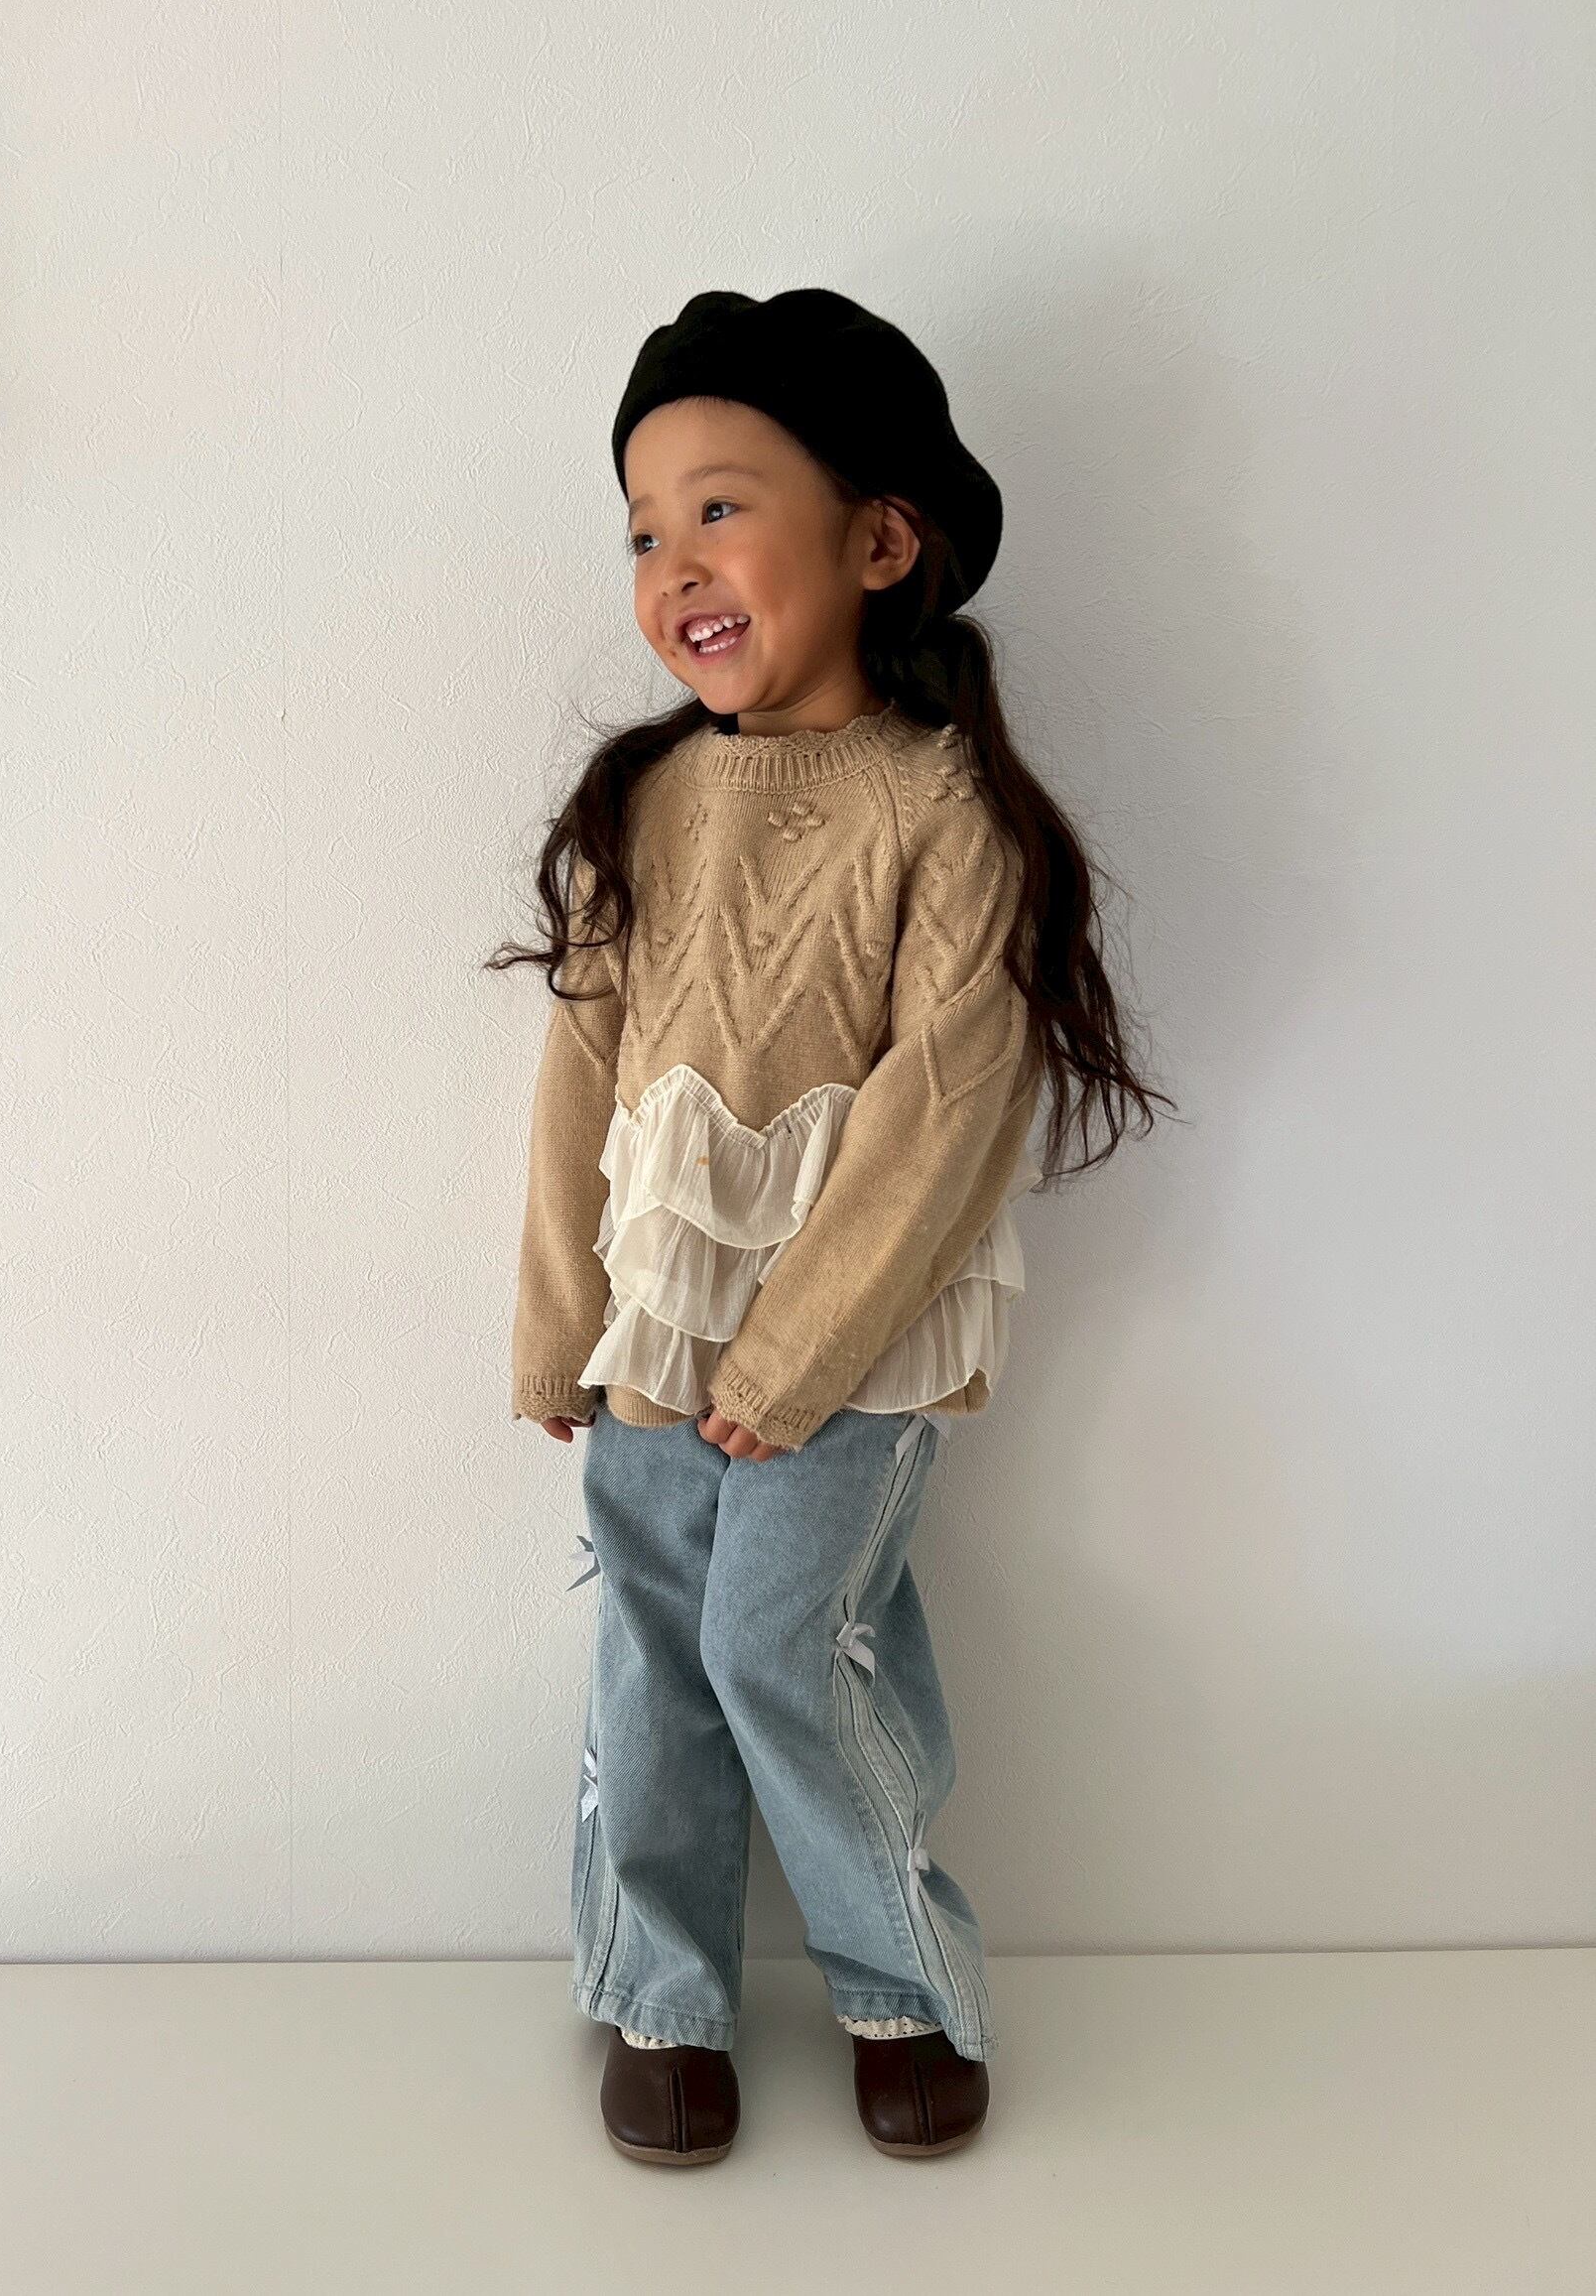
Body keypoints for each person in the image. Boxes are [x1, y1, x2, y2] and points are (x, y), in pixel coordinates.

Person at [489, 288, 1171, 2165]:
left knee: (784, 1649)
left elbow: (944, 1114)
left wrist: (792, 1360)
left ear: (879, 543)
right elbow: (579, 1078)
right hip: (654, 1322)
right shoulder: (643, 805)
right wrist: (556, 1322)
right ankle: (659, 1994)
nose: (673, 565)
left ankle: (901, 1985)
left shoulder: (943, 813)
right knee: (650, 1650)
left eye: (719, 509)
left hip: (848, 1346)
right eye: (643, 530)